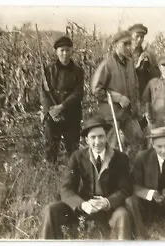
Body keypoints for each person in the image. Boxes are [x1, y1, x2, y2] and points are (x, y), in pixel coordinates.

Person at [41, 117, 133, 240]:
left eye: (101, 136)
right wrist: (82, 205)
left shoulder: (120, 158)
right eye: (93, 138)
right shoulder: (77, 157)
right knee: (51, 210)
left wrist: (107, 202)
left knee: (123, 215)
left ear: (106, 137)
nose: (97, 141)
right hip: (84, 207)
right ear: (86, 140)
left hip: (109, 209)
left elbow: (125, 189)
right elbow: (66, 189)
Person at [91, 30, 144, 156]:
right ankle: (110, 172)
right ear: (115, 45)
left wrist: (136, 108)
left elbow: (135, 86)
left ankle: (130, 167)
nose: (128, 47)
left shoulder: (130, 63)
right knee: (111, 146)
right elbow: (96, 90)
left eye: (129, 44)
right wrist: (118, 97)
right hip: (111, 114)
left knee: (138, 139)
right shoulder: (107, 65)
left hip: (129, 113)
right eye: (124, 44)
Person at [40, 36, 84, 167]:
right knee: (51, 145)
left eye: (68, 50)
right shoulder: (48, 70)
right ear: (56, 51)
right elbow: (43, 93)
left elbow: (78, 93)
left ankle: (74, 172)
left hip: (71, 114)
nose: (65, 54)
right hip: (53, 115)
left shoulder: (78, 71)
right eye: (62, 50)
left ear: (72, 51)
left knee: (73, 146)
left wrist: (62, 106)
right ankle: (50, 171)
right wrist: (51, 110)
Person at [128, 23, 159, 96]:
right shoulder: (126, 53)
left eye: (142, 37)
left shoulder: (147, 54)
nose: (139, 39)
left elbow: (155, 74)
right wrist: (138, 65)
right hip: (128, 91)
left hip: (144, 91)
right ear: (130, 36)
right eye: (137, 36)